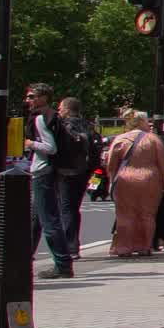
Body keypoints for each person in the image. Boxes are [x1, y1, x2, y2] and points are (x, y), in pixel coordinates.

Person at [106, 110, 164, 256]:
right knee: (147, 214)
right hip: (150, 179)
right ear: (140, 122)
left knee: (125, 214)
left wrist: (111, 182)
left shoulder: (120, 139)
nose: (149, 123)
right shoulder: (153, 139)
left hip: (125, 179)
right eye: (146, 121)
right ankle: (145, 246)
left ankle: (125, 247)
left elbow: (111, 164)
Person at [21, 83, 73, 279]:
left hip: (44, 172)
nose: (28, 100)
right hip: (46, 172)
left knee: (49, 220)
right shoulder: (50, 115)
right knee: (35, 220)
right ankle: (24, 258)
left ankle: (62, 264)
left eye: (32, 96)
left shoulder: (41, 118)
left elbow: (50, 148)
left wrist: (29, 143)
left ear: (44, 98)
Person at [51, 96, 98, 262]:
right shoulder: (88, 126)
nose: (59, 111)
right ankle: (73, 246)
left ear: (67, 109)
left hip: (66, 172)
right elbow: (95, 150)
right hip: (83, 172)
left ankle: (70, 247)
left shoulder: (64, 125)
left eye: (60, 108)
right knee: (73, 208)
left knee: (66, 209)